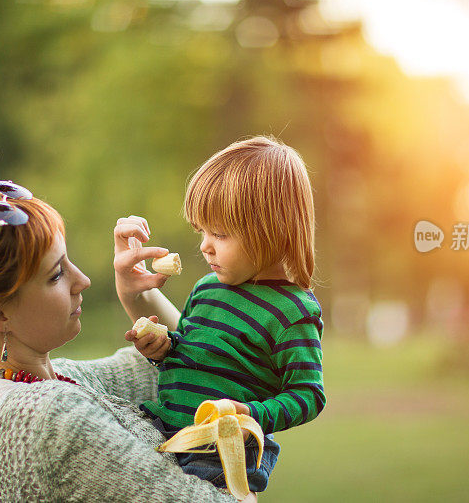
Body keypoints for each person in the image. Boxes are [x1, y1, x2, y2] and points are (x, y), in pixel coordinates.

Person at [0, 181, 254, 502]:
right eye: (56, 275)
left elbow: (200, 366)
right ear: (0, 314)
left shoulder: (52, 384)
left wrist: (134, 293)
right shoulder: (44, 419)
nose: (82, 280)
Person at [116, 136, 326, 494]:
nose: (204, 245)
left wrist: (248, 414)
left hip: (221, 454)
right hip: (168, 426)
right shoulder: (207, 288)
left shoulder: (293, 312)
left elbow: (309, 395)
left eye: (220, 233)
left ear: (271, 230)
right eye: (202, 231)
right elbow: (190, 355)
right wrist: (163, 347)